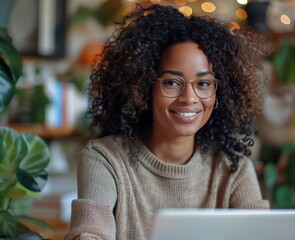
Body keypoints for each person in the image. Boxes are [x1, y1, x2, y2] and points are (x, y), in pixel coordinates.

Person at [65, 3, 269, 240]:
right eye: (172, 82)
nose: (189, 98)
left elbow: (261, 234)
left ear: (218, 93)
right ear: (143, 87)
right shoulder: (106, 160)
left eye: (203, 84)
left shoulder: (233, 169)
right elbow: (90, 232)